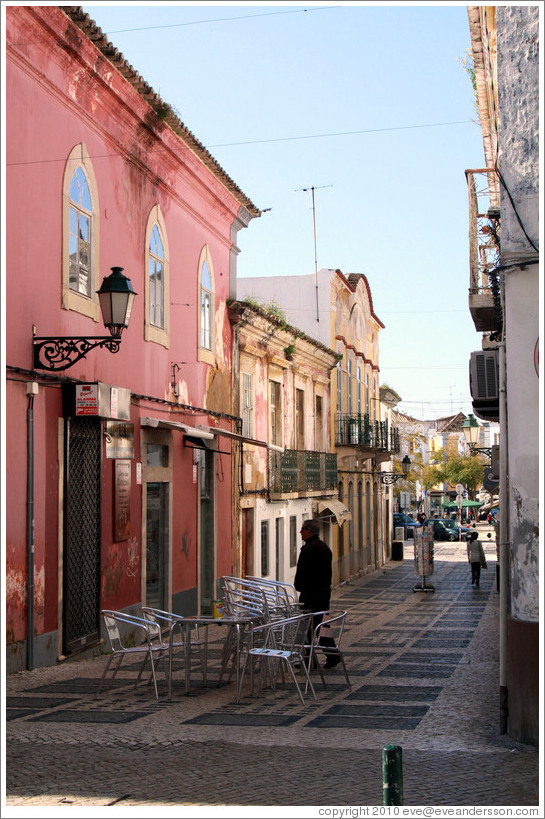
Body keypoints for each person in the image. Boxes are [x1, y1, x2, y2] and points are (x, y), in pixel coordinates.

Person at [294, 519, 340, 668]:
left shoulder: (308, 550)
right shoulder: (325, 548)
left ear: (309, 531)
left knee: (306, 627)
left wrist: (299, 586)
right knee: (322, 625)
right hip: (323, 593)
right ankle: (331, 655)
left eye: (303, 529)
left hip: (310, 594)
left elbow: (302, 573)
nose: (300, 532)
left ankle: (308, 660)